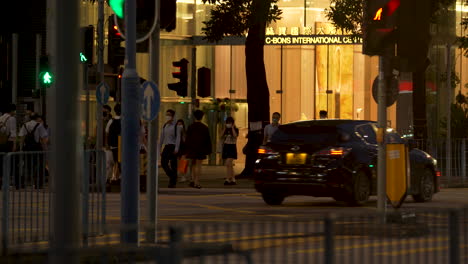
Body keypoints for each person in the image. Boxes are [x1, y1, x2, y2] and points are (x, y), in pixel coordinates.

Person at [19, 114, 48, 188]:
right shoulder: (39, 125)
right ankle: (38, 184)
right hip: (37, 147)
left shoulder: (25, 125)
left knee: (27, 165)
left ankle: (24, 182)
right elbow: (43, 139)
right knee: (39, 165)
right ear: (37, 118)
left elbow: (22, 138)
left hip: (27, 148)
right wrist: (45, 149)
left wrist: (21, 149)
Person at [185, 110, 212, 189]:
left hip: (192, 148)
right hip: (201, 148)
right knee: (199, 165)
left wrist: (187, 149)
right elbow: (208, 139)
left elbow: (188, 139)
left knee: (193, 165)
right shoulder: (204, 127)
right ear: (202, 117)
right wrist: (208, 150)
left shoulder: (191, 126)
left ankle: (193, 180)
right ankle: (197, 182)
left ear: (194, 117)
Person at [159, 109, 178, 188]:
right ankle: (172, 176)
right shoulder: (164, 126)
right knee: (164, 163)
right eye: (166, 115)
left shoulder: (176, 126)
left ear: (173, 116)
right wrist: (159, 148)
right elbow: (161, 138)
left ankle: (172, 183)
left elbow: (178, 138)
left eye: (169, 115)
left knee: (174, 165)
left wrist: (176, 148)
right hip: (166, 147)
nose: (167, 116)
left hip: (173, 146)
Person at [106, 103, 121, 181]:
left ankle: (114, 176)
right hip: (122, 145)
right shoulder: (124, 120)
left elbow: (107, 133)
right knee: (119, 161)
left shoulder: (111, 121)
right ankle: (117, 176)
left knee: (115, 161)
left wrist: (107, 144)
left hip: (113, 144)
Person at [221, 117, 239, 185]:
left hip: (232, 147)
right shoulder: (225, 129)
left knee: (228, 163)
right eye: (227, 123)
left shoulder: (235, 129)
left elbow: (235, 135)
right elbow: (220, 135)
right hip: (226, 146)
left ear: (232, 123)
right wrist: (225, 128)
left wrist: (232, 128)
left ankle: (228, 179)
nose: (228, 124)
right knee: (229, 165)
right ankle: (233, 179)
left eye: (230, 123)